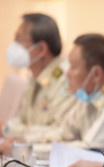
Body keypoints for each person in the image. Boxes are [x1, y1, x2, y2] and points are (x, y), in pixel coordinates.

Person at [22, 33, 104, 150]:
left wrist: (30, 149)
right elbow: (64, 133)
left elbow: (93, 148)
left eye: (73, 67)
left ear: (96, 74)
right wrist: (25, 141)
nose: (67, 74)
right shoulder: (90, 94)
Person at [0, 13, 77, 154]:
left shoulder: (66, 78)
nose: (13, 46)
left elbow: (59, 132)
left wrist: (14, 136)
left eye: (19, 40)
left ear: (41, 49)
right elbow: (23, 119)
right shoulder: (35, 77)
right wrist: (7, 129)